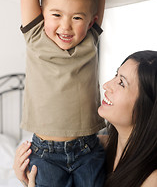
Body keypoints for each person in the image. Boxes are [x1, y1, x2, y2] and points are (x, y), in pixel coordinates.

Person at [16, 0, 107, 186]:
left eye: (77, 18)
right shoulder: (36, 37)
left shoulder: (90, 39)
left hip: (88, 149)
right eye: (56, 14)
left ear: (91, 21)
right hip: (45, 154)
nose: (65, 27)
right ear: (42, 13)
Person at [14, 50, 157, 187]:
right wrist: (30, 180)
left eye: (121, 83)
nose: (107, 85)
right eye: (116, 75)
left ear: (148, 107)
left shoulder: (152, 179)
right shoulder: (91, 147)